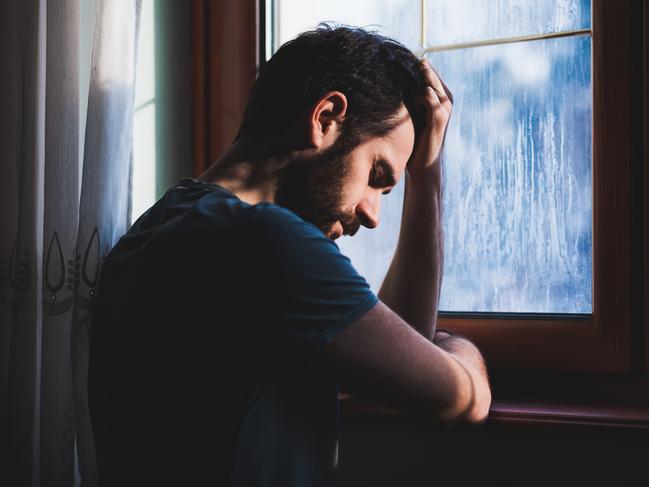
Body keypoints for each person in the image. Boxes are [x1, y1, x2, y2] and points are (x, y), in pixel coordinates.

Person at [88, 24, 491, 487]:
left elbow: (401, 353)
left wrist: (425, 177)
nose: (373, 214)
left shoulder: (160, 226)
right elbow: (455, 398)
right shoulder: (267, 242)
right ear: (325, 118)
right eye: (376, 173)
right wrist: (462, 350)